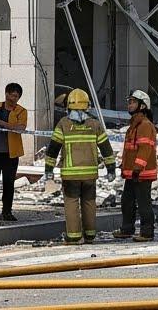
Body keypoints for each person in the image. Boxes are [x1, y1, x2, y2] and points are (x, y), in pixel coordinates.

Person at [44, 89, 114, 245]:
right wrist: (111, 169)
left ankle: (75, 236)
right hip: (90, 173)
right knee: (89, 203)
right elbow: (106, 148)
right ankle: (90, 235)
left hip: (70, 174)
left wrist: (48, 170)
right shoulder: (95, 124)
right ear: (87, 106)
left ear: (68, 106)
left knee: (72, 203)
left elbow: (53, 149)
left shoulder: (64, 124)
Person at [113, 90, 157, 242]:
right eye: (129, 102)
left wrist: (137, 168)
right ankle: (127, 228)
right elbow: (131, 150)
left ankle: (147, 232)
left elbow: (145, 149)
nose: (129, 105)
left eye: (133, 102)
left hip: (142, 173)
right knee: (127, 201)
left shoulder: (144, 125)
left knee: (144, 203)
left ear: (143, 105)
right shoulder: (134, 125)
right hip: (133, 173)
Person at [0, 82, 27, 221]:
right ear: (6, 94)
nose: (14, 99)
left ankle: (7, 211)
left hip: (11, 153)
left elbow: (21, 128)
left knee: (9, 183)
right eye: (12, 95)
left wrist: (2, 123)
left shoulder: (21, 111)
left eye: (17, 96)